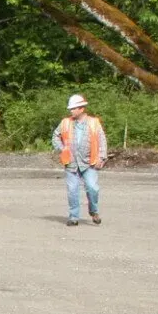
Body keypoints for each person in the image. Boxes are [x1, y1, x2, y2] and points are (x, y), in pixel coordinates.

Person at [52, 93, 106, 226]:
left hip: (89, 163)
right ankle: (73, 217)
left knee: (93, 188)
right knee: (72, 191)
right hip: (70, 163)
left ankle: (94, 211)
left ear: (81, 109)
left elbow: (102, 140)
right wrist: (62, 148)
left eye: (73, 108)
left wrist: (102, 157)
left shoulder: (94, 123)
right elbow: (55, 136)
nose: (71, 111)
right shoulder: (65, 122)